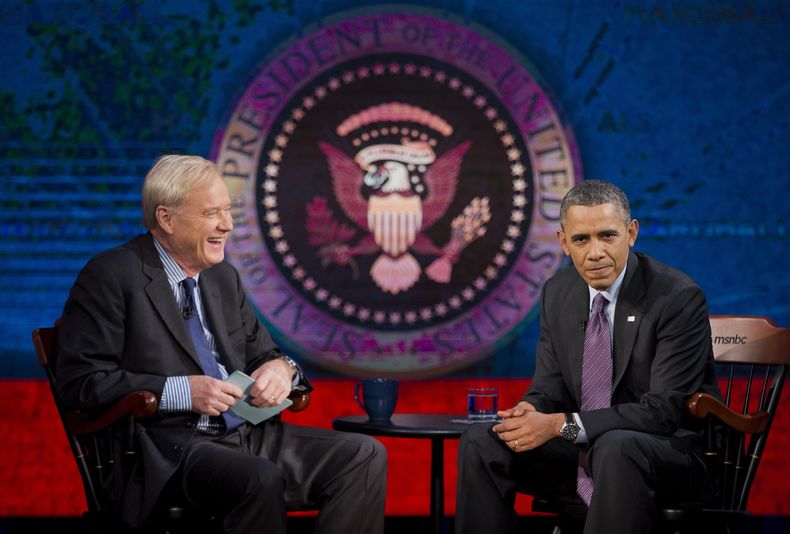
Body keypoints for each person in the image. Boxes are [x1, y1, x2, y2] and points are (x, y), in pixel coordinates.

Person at [55, 155, 387, 533]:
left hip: (245, 432)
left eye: (227, 211)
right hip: (170, 450)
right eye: (212, 213)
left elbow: (266, 353)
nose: (227, 225)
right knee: (258, 478)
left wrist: (283, 370)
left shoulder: (222, 278)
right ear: (166, 218)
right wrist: (182, 391)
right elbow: (80, 382)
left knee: (363, 454)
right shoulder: (112, 275)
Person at [455, 180, 720, 534]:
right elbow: (548, 387)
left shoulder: (676, 298)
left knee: (614, 447)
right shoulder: (558, 292)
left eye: (607, 236)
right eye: (581, 240)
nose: (595, 252)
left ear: (631, 233)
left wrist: (557, 425)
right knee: (482, 440)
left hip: (665, 456)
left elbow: (662, 413)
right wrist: (530, 412)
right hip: (585, 453)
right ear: (564, 243)